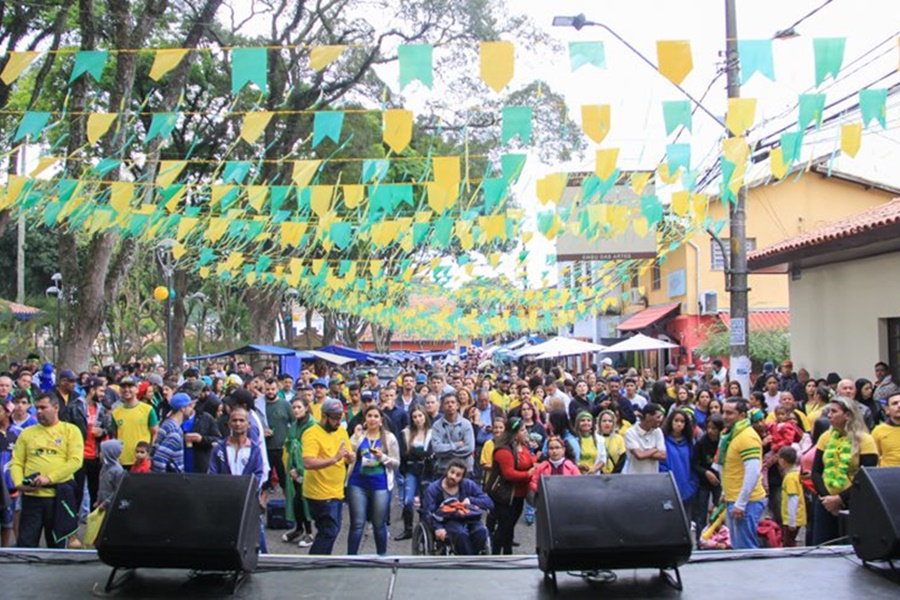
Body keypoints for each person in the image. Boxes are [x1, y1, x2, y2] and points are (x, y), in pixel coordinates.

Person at [10, 393, 83, 548]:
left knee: (56, 544)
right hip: (32, 496)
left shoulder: (70, 431)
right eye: (37, 408)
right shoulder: (27, 433)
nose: (39, 412)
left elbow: (75, 461)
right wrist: (18, 483)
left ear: (56, 408)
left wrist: (49, 478)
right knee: (25, 544)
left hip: (58, 497)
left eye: (43, 407)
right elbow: (16, 462)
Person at [811, 396, 878, 546]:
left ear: (847, 415)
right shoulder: (825, 437)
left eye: (834, 412)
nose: (829, 415)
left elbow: (867, 477)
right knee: (822, 547)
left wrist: (840, 499)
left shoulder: (865, 440)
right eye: (829, 411)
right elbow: (816, 471)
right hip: (825, 503)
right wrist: (827, 499)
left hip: (854, 502)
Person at [301, 398, 354, 555]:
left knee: (332, 530)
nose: (338, 422)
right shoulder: (311, 434)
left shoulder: (341, 431)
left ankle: (321, 560)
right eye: (335, 419)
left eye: (340, 418)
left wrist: (350, 458)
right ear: (323, 416)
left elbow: (346, 454)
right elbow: (308, 462)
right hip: (320, 493)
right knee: (329, 531)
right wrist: (334, 459)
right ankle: (316, 563)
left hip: (336, 491)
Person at [346, 406, 400, 556]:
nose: (372, 419)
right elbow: (348, 457)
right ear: (365, 419)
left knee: (379, 524)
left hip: (380, 485)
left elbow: (396, 463)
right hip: (357, 484)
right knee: (357, 524)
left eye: (376, 416)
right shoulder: (358, 435)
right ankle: (351, 557)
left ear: (381, 420)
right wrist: (356, 438)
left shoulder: (389, 438)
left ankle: (382, 557)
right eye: (369, 416)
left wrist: (382, 457)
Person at [719, 397, 767, 550]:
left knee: (745, 551)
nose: (724, 416)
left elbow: (752, 472)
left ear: (742, 415)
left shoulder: (747, 437)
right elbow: (730, 467)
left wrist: (741, 503)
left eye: (729, 413)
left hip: (747, 503)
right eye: (723, 412)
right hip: (735, 499)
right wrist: (725, 492)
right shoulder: (731, 434)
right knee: (738, 547)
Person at [422, 459, 493, 555]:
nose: (453, 476)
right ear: (447, 471)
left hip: (469, 517)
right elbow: (429, 513)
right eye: (452, 472)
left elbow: (489, 503)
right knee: (460, 533)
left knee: (481, 531)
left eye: (458, 475)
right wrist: (437, 527)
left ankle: (470, 556)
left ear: (462, 478)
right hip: (447, 520)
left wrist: (471, 500)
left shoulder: (468, 485)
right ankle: (470, 559)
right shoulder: (433, 489)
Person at [488, 418, 535, 555]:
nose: (525, 432)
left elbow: (529, 462)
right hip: (505, 496)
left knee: (510, 528)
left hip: (519, 495)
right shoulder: (504, 451)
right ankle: (496, 557)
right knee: (504, 528)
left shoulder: (523, 446)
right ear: (514, 433)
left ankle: (508, 554)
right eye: (522, 430)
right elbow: (508, 474)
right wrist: (528, 474)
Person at [396, 405, 433, 541]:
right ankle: (408, 529)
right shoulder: (405, 433)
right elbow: (403, 454)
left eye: (420, 416)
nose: (418, 419)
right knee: (408, 500)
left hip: (426, 470)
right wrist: (419, 455)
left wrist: (418, 454)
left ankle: (423, 529)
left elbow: (431, 452)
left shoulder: (432, 432)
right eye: (415, 417)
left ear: (425, 416)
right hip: (411, 470)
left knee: (426, 501)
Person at [282, 397, 316, 548]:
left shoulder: (312, 425)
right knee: (296, 500)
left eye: (299, 407)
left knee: (303, 501)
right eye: (294, 407)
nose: (296, 410)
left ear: (306, 408)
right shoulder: (294, 425)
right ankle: (298, 528)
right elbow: (290, 445)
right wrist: (292, 469)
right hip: (294, 467)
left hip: (307, 468)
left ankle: (309, 533)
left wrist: (301, 470)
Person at [110, 377, 159, 469]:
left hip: (141, 462)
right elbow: (114, 436)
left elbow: (155, 433)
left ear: (136, 389)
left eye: (130, 386)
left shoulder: (148, 410)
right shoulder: (115, 413)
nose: (126, 389)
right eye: (123, 387)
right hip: (122, 461)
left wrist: (149, 453)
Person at [660, 409, 698, 515]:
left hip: (687, 490)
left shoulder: (690, 443)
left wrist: (692, 485)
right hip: (667, 488)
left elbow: (694, 464)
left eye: (682, 422)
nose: (679, 424)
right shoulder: (663, 441)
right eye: (676, 420)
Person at [692, 414, 724, 537]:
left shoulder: (723, 442)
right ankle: (701, 541)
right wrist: (706, 473)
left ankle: (720, 538)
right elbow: (695, 464)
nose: (711, 431)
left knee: (719, 511)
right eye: (708, 428)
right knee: (701, 513)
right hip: (703, 482)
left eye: (714, 428)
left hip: (719, 481)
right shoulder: (701, 443)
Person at [431, 392, 475, 474]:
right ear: (442, 407)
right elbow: (436, 449)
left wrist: (446, 452)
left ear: (457, 405)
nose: (450, 405)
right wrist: (456, 445)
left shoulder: (466, 424)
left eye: (452, 402)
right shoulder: (437, 425)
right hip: (444, 469)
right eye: (447, 403)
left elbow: (469, 448)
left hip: (465, 469)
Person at [262, 378, 293, 495]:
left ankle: (289, 509)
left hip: (282, 448)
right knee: (265, 482)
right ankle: (261, 510)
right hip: (265, 449)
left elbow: (294, 422)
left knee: (285, 481)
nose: (270, 392)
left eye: (273, 389)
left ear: (277, 389)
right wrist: (263, 431)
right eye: (267, 389)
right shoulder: (260, 405)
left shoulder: (285, 404)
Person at [150, 392, 192, 473]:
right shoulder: (175, 432)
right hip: (171, 480)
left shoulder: (166, 423)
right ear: (182, 408)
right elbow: (159, 460)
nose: (192, 409)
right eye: (189, 406)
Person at [0, 401, 22, 546]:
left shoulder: (18, 433)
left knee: (9, 520)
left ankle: (6, 550)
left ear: (7, 413)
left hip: (11, 485)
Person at [622, 403, 666, 474]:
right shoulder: (630, 432)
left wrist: (644, 452)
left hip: (653, 477)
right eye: (657, 417)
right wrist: (655, 449)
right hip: (635, 476)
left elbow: (663, 455)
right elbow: (639, 455)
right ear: (648, 416)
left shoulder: (658, 431)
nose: (660, 420)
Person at [778, 446, 805, 547]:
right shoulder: (796, 475)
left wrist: (791, 521)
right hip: (796, 517)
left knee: (788, 544)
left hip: (792, 518)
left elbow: (793, 498)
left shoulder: (789, 478)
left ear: (782, 460)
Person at [95, 439, 124, 510]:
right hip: (102, 505)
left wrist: (106, 504)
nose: (99, 454)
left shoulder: (118, 471)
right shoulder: (104, 467)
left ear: (109, 454)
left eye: (102, 452)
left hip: (111, 507)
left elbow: (118, 491)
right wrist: (98, 501)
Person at [872, 393, 900, 466]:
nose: (899, 406)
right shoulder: (878, 431)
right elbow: (874, 457)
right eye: (895, 403)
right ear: (887, 410)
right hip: (888, 474)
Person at [596, 409, 626, 473]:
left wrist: (614, 474)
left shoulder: (619, 438)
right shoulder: (595, 439)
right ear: (599, 423)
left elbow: (622, 458)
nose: (607, 423)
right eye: (604, 421)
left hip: (616, 476)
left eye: (610, 421)